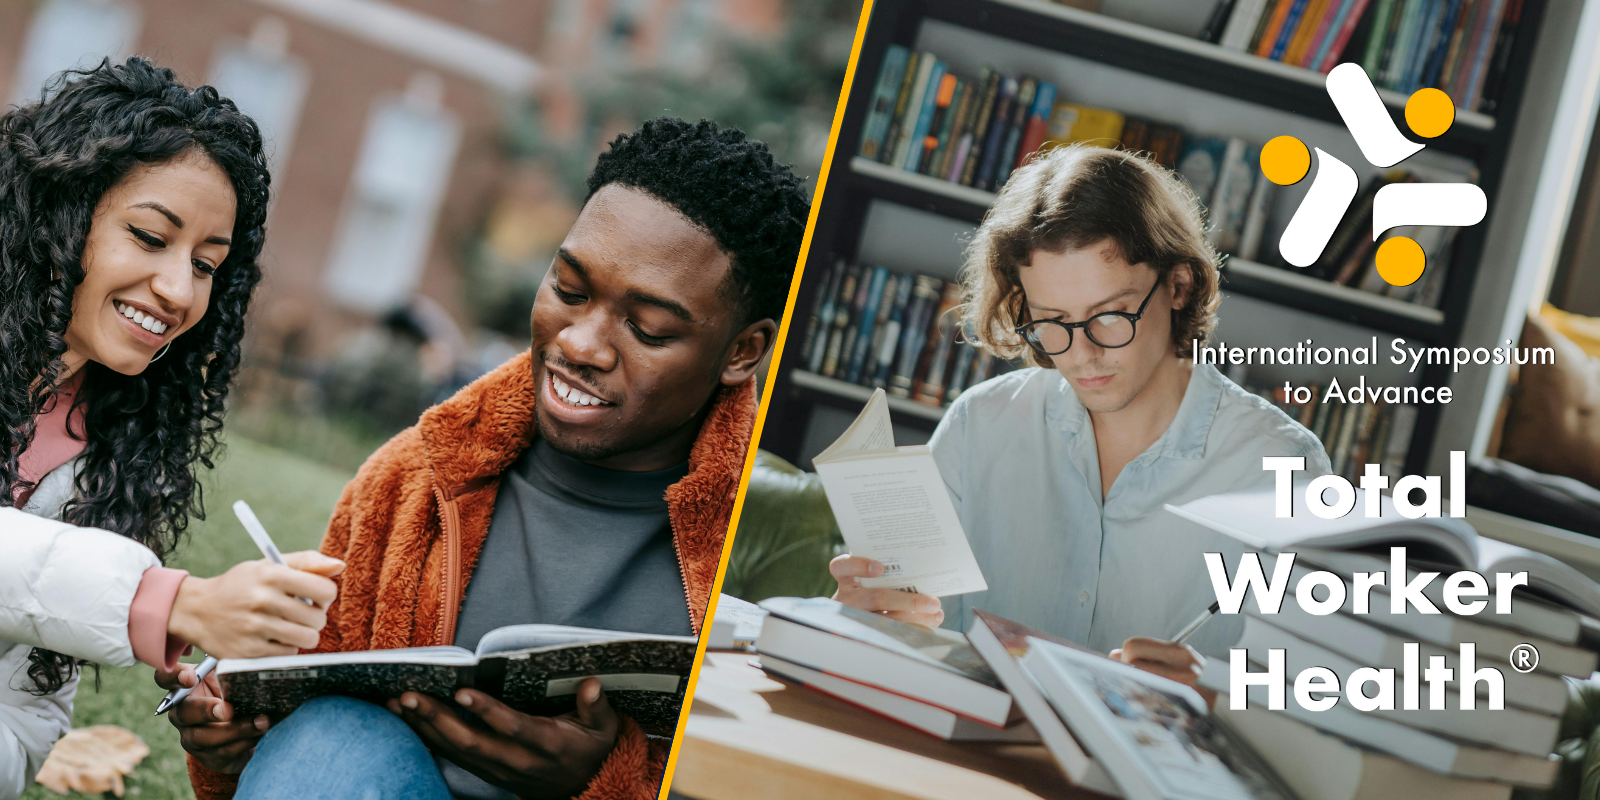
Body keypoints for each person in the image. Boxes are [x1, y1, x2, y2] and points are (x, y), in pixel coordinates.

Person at [168, 118, 809, 800]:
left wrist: (603, 784)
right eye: (568, 289)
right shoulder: (415, 478)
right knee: (331, 740)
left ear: (743, 352)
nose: (582, 343)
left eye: (648, 328)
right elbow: (308, 740)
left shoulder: (775, 546)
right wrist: (233, 733)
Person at [831, 145, 1331, 688]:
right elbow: (900, 631)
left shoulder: (1282, 467)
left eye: (1110, 316)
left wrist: (1219, 695)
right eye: (1052, 321)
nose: (1081, 353)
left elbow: (1310, 694)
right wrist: (867, 616)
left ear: (1178, 286)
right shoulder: (981, 424)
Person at [0, 59, 342, 799]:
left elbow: (27, 714)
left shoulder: (116, 451)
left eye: (207, 263)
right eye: (151, 236)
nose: (179, 290)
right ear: (60, 211)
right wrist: (176, 605)